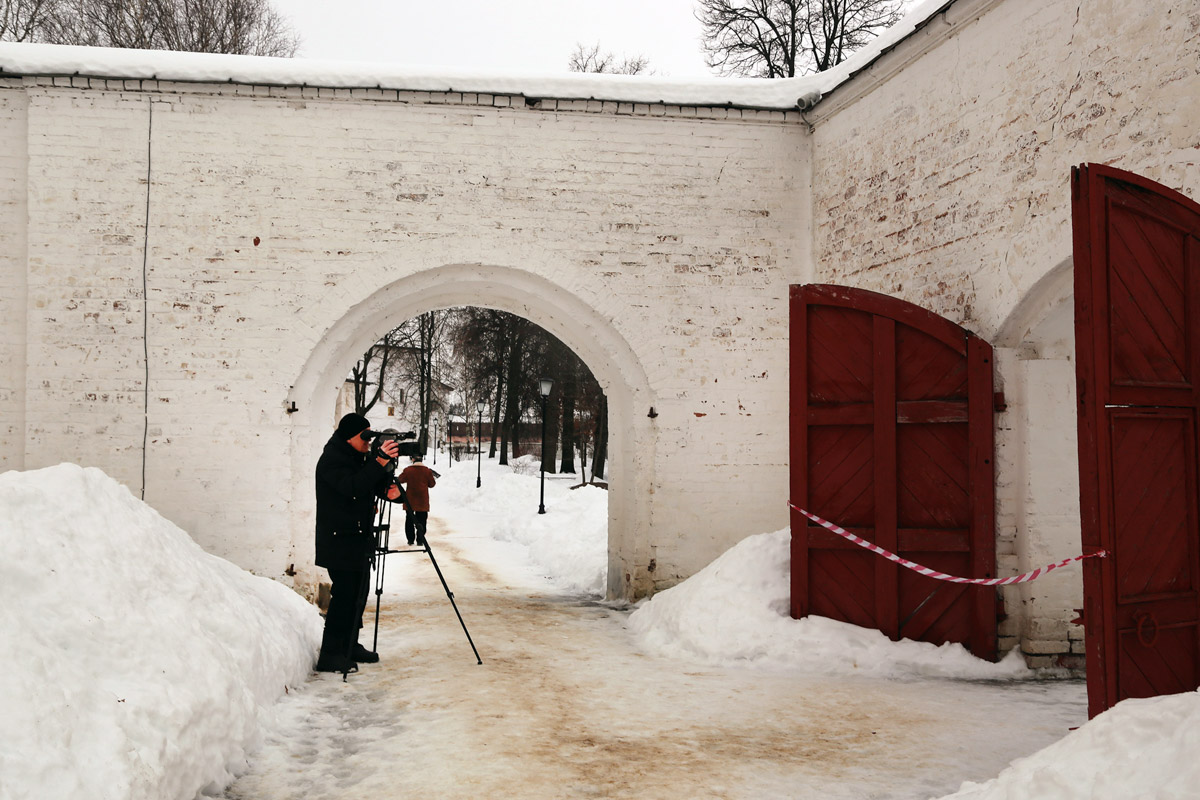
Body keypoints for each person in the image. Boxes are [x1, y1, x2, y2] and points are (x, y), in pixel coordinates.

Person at [313, 412, 404, 673]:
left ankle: (349, 644)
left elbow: (370, 485)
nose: (367, 442)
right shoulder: (332, 460)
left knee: (358, 594)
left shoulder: (356, 457)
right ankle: (330, 654)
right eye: (363, 437)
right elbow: (353, 487)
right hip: (339, 540)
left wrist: (396, 493)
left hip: (357, 538)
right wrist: (378, 461)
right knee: (344, 596)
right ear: (349, 437)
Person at [398, 453, 437, 546]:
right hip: (422, 500)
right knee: (422, 520)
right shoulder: (427, 471)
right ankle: (420, 539)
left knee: (409, 520)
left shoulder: (408, 470)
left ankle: (410, 539)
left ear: (412, 459)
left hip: (410, 500)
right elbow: (432, 484)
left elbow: (400, 479)